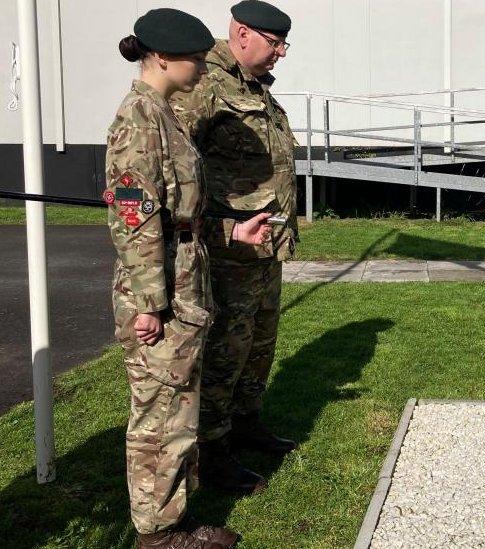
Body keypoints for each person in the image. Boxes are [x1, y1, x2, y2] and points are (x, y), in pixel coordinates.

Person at [106, 8, 271, 548]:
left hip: (182, 281)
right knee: (159, 416)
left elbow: (182, 215)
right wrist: (151, 304)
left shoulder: (164, 113)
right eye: (195, 59)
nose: (203, 67)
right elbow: (135, 220)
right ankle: (157, 534)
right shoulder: (138, 120)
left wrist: (230, 233)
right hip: (159, 294)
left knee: (178, 409)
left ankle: (171, 516)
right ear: (160, 57)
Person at [172, 0, 298, 494]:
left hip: (265, 249)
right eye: (275, 42)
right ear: (242, 33)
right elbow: (176, 165)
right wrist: (217, 227)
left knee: (258, 342)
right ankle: (214, 449)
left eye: (285, 43)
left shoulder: (255, 89)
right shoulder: (206, 82)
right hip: (227, 251)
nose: (282, 53)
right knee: (225, 347)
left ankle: (247, 422)